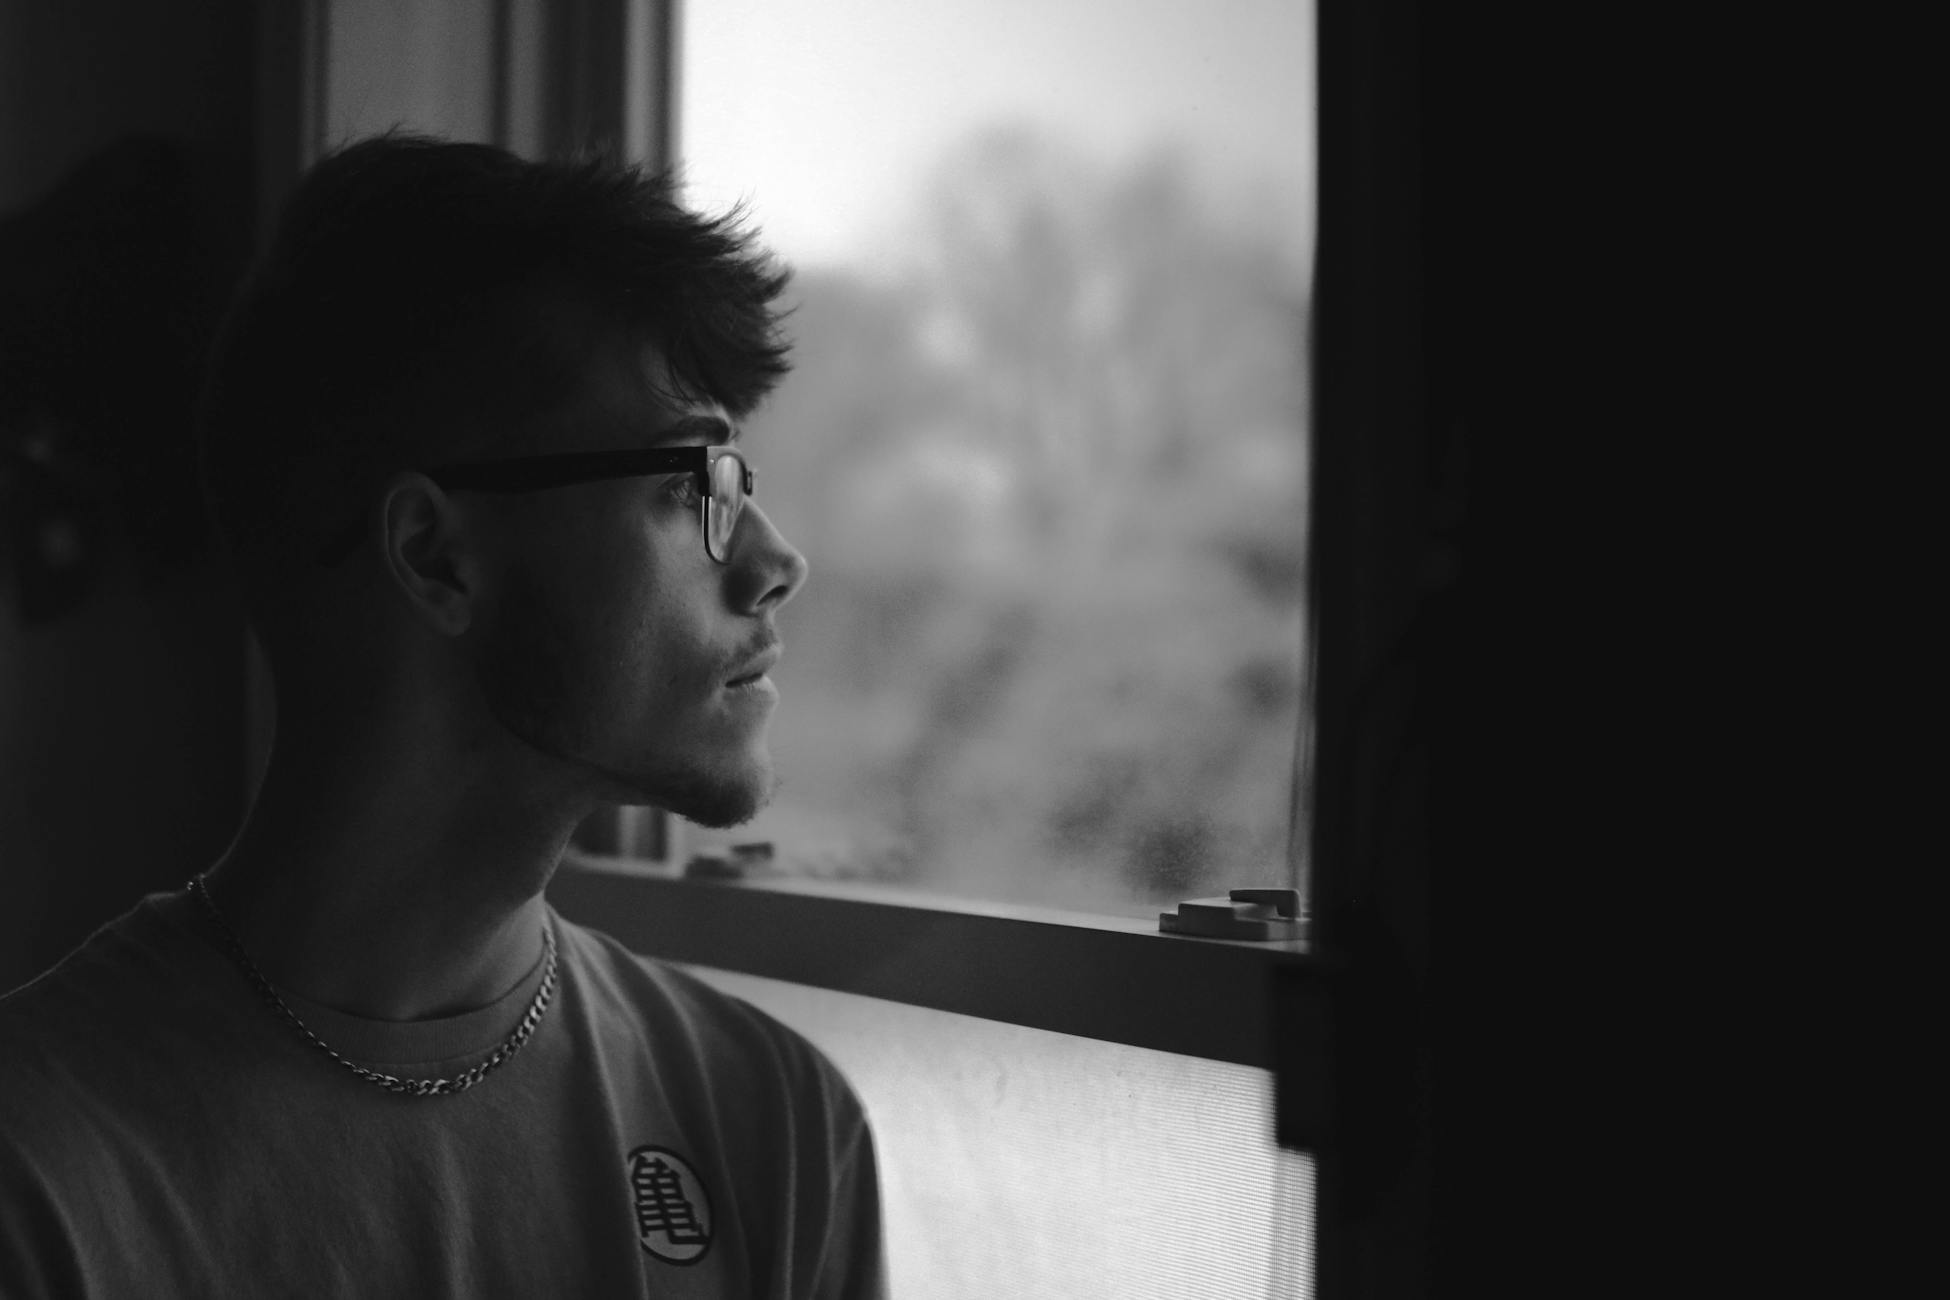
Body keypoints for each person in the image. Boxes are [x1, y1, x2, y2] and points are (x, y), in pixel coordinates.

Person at [0, 132, 885, 1298]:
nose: (777, 561)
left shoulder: (770, 1124)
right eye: (691, 481)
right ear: (434, 554)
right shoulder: (40, 1174)